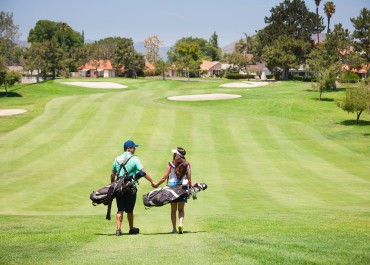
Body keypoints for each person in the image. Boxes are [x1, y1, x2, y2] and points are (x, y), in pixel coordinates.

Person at [111, 140, 156, 236]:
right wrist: (152, 181)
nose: (135, 149)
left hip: (119, 188)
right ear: (129, 149)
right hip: (130, 188)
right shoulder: (134, 159)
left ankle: (118, 229)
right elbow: (143, 172)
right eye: (133, 147)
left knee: (120, 209)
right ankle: (131, 228)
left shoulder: (117, 159)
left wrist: (112, 184)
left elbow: (112, 174)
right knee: (130, 210)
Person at [154, 147, 191, 234]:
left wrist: (157, 184)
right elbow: (189, 179)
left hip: (172, 187)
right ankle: (181, 223)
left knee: (173, 210)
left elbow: (164, 178)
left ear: (177, 155)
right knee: (181, 209)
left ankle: (174, 229)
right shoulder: (187, 164)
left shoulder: (171, 164)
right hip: (183, 187)